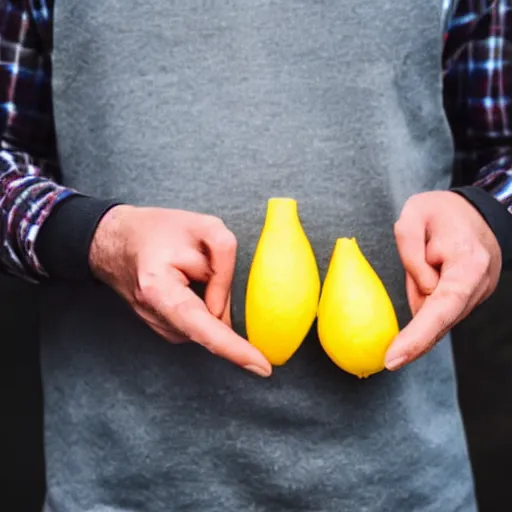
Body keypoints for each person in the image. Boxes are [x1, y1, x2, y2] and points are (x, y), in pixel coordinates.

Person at [1, 0, 511, 510]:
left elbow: (502, 152)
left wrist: (487, 219)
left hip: (404, 488)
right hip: (123, 487)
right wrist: (97, 239)